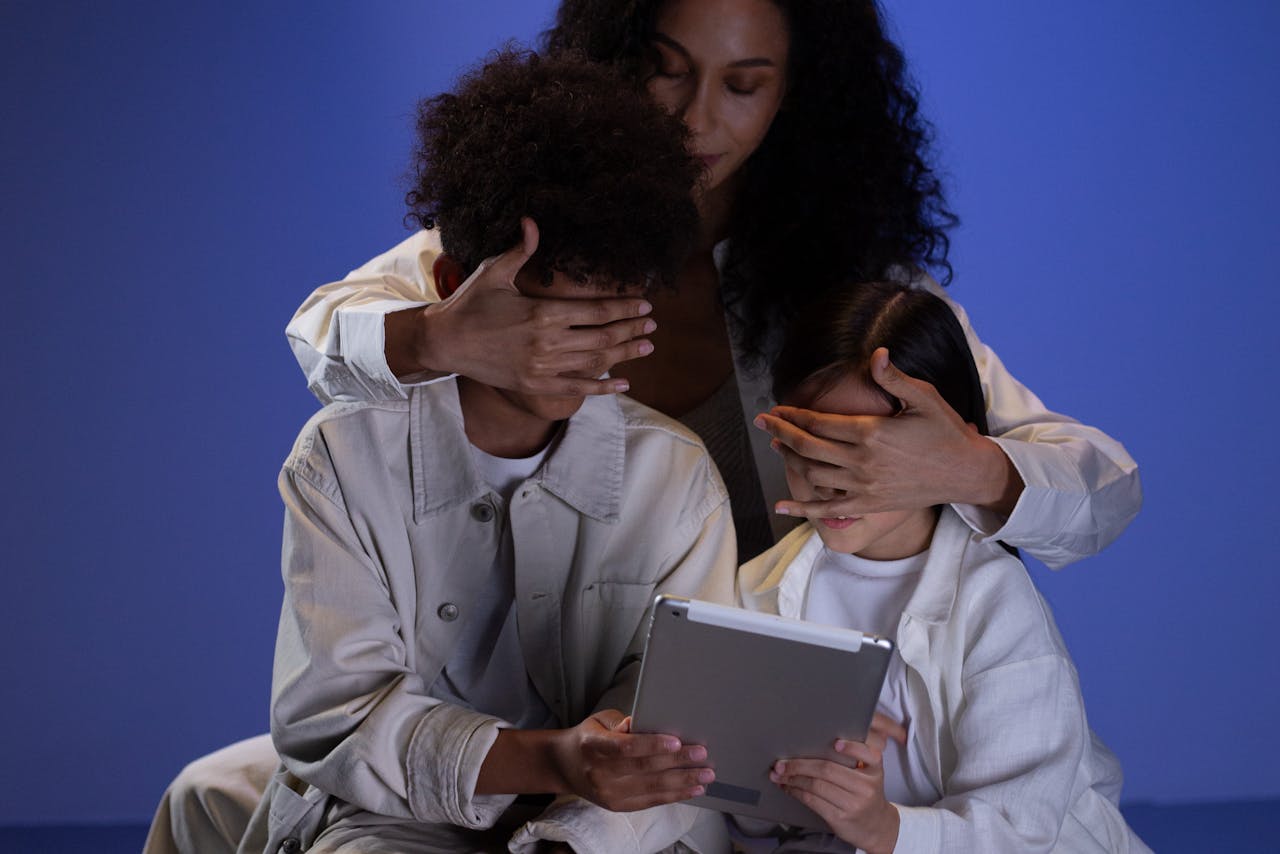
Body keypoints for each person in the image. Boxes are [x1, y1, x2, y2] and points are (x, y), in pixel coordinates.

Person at [288, 0, 1140, 570]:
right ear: (610, 63)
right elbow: (323, 334)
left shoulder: (851, 285)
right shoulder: (519, 245)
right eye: (665, 68)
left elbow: (1103, 487)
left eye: (743, 84)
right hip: (553, 703)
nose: (695, 117)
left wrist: (974, 469)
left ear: (794, 98)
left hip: (788, 715)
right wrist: (437, 337)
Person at [147, 50, 738, 854]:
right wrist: (554, 758)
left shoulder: (674, 479)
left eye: (612, 320)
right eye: (558, 321)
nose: (583, 354)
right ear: (457, 282)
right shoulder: (344, 459)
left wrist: (575, 817)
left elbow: (680, 737)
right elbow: (335, 718)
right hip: (391, 816)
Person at [735, 282, 1151, 853]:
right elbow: (746, 811)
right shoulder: (758, 590)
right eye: (809, 445)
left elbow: (1022, 833)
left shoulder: (994, 605)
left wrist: (885, 828)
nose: (829, 478)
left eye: (861, 453)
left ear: (939, 445)